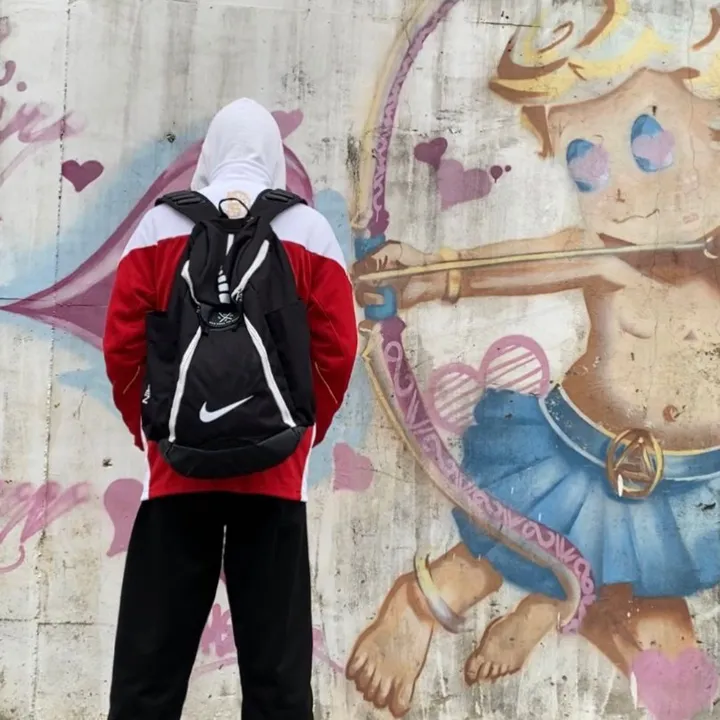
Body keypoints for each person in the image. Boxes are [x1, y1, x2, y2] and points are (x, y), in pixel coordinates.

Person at [103, 98, 357, 720]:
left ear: (210, 154)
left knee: (149, 675)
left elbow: (123, 344)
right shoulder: (307, 230)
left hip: (175, 473)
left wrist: (151, 432)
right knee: (277, 678)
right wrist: (302, 433)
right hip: (276, 476)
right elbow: (338, 347)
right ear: (273, 156)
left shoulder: (160, 226)